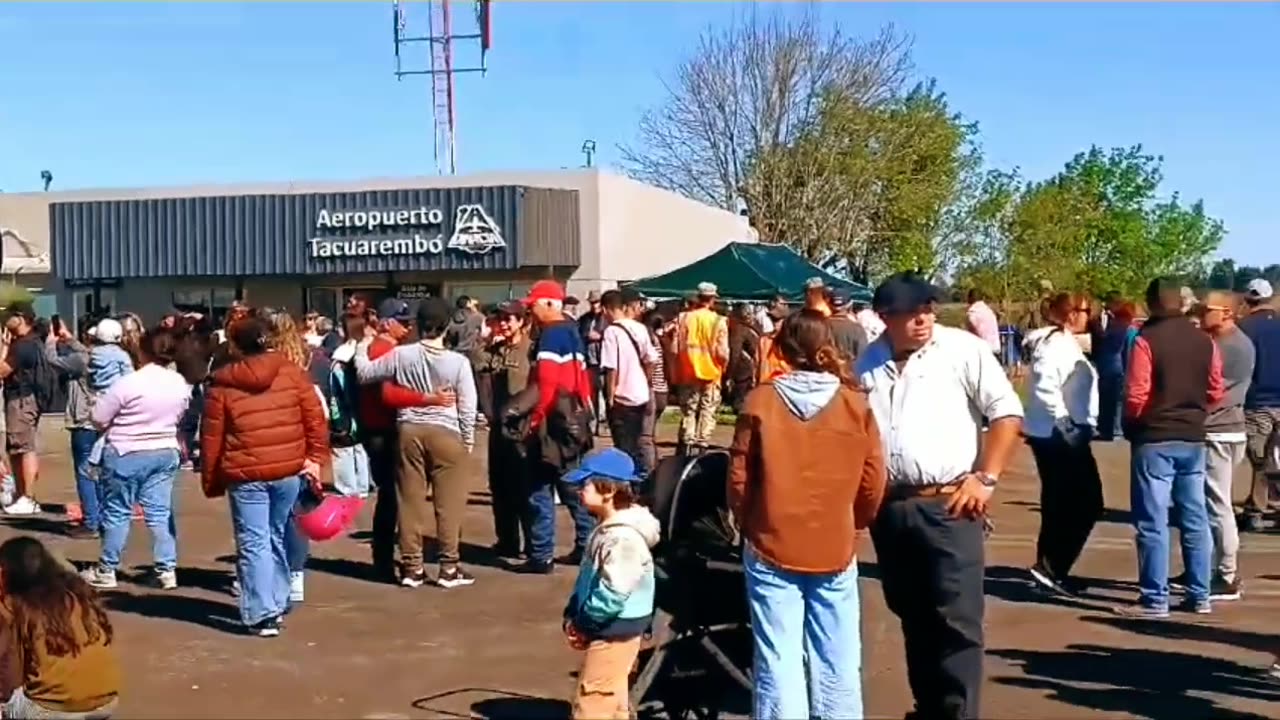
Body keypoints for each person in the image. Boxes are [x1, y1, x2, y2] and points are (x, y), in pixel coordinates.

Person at [855, 273, 1024, 720]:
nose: (923, 318)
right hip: (890, 507)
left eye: (928, 308)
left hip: (951, 504)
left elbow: (1006, 414)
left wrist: (985, 478)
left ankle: (960, 713)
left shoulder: (963, 351)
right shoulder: (867, 361)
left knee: (957, 620)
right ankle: (929, 708)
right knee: (913, 614)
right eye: (912, 312)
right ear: (885, 317)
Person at [728, 309, 886, 719]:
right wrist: (856, 522)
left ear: (780, 348)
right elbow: (873, 480)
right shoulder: (855, 404)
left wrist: (745, 521)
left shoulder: (761, 400)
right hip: (834, 544)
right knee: (838, 658)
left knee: (778, 658)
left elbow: (740, 475)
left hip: (770, 540)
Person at [201, 315, 329, 637]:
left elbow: (212, 436)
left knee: (254, 540)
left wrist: (211, 478)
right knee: (274, 535)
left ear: (236, 345)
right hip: (287, 467)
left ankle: (262, 612)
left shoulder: (221, 384)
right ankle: (277, 599)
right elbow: (314, 418)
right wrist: (315, 458)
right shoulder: (293, 374)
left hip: (245, 471)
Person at [355, 297, 478, 589]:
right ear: (447, 326)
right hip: (446, 430)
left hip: (409, 429)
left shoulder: (402, 355)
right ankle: (449, 568)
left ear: (419, 325)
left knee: (409, 502)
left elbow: (365, 373)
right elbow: (468, 404)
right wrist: (467, 438)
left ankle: (412, 568)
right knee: (448, 504)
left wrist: (361, 347)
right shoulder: (458, 362)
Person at [1120, 277, 1224, 618]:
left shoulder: (1145, 340)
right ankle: (1200, 593)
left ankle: (1155, 598)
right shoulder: (1205, 341)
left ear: (1151, 303)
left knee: (1153, 520)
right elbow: (1214, 391)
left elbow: (1137, 394)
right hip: (1192, 436)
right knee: (1195, 516)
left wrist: (1134, 422)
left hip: (1155, 436)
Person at [78, 326, 190, 591]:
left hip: (126, 451)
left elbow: (98, 418)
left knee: (117, 512)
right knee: (160, 513)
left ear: (144, 350)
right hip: (164, 449)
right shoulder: (179, 383)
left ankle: (107, 569)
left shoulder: (129, 382)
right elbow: (182, 414)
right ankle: (166, 569)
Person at [560, 448, 659, 720]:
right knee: (613, 695)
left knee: (593, 700)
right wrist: (573, 611)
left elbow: (614, 591)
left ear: (609, 490)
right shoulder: (608, 529)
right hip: (615, 624)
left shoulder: (621, 538)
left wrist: (584, 623)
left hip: (614, 626)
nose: (579, 490)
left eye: (586, 484)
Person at [1021, 293, 1102, 596]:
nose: (1088, 315)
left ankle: (1050, 569)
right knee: (1085, 503)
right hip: (1058, 436)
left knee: (1061, 505)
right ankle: (1050, 567)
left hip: (1062, 433)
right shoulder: (1054, 344)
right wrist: (1064, 421)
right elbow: (1045, 385)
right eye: (1084, 309)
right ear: (1069, 314)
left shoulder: (1063, 342)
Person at [516, 280, 596, 573]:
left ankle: (541, 555)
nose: (532, 312)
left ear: (550, 304)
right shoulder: (573, 331)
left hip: (552, 422)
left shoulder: (550, 336)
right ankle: (587, 546)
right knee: (573, 485)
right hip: (574, 419)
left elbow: (547, 384)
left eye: (534, 305)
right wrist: (588, 411)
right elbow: (583, 378)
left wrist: (534, 420)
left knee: (539, 489)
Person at [0, 537, 121, 719]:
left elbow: (9, 668)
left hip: (52, 709)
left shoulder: (15, 606)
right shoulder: (77, 593)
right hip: (105, 701)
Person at [1190, 291, 1255, 601]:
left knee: (1218, 506)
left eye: (1207, 309)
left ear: (1227, 313)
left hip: (1220, 431)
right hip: (1224, 430)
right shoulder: (1221, 342)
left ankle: (1226, 574)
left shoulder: (1231, 346)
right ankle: (1204, 568)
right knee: (1208, 505)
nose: (1202, 314)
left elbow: (1210, 392)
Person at [476, 301, 535, 559]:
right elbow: (476, 362)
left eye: (509, 318)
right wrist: (484, 339)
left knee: (524, 488)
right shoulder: (496, 349)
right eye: (501, 318)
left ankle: (534, 544)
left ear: (522, 321)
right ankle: (507, 541)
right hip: (498, 427)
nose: (504, 323)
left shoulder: (531, 350)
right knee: (500, 488)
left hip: (522, 428)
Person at [41, 321, 97, 539]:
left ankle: (91, 521)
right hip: (101, 420)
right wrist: (70, 339)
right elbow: (84, 353)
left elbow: (52, 360)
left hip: (83, 420)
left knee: (85, 473)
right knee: (98, 473)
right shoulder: (113, 358)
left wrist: (51, 341)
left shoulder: (81, 360)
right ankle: (100, 519)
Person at [599, 289, 658, 476]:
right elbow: (651, 359)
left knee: (623, 446)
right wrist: (645, 379)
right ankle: (641, 479)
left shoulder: (611, 332)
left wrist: (610, 396)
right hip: (640, 393)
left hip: (622, 396)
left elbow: (611, 367)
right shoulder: (640, 328)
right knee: (638, 440)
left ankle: (627, 482)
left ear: (605, 309)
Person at [1239, 278, 1280, 532]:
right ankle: (1266, 504)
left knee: (1260, 459)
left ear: (1248, 298)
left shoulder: (1243, 329)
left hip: (1256, 401)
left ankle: (1257, 508)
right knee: (1274, 457)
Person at [0, 305, 47, 515]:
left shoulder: (23, 345)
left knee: (23, 447)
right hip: (22, 398)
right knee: (17, 447)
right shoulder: (31, 341)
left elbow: (2, 370)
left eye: (8, 315)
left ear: (20, 318)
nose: (4, 320)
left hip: (21, 399)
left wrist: (3, 346)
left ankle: (27, 496)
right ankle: (22, 495)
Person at [673, 282, 729, 455]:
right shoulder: (719, 321)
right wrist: (724, 368)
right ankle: (702, 447)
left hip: (688, 372)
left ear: (698, 297)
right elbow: (723, 353)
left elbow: (674, 348)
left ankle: (686, 444)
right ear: (712, 299)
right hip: (712, 373)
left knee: (689, 411)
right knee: (707, 410)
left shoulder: (683, 318)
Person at [577, 291, 608, 434]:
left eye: (597, 302)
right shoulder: (584, 319)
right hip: (589, 362)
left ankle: (604, 424)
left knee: (606, 395)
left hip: (604, 363)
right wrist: (587, 336)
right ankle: (594, 424)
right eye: (592, 302)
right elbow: (580, 334)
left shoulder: (607, 319)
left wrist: (600, 337)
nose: (594, 305)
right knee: (592, 396)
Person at [724, 304, 760, 414]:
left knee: (743, 399)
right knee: (741, 399)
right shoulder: (740, 329)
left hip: (747, 368)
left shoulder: (745, 329)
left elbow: (736, 350)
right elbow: (735, 351)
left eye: (751, 314)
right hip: (743, 369)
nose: (751, 317)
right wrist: (730, 373)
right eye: (748, 314)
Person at [826, 288, 869, 365]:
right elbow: (864, 358)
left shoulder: (820, 326)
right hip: (848, 373)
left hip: (825, 373)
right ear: (850, 304)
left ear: (828, 304)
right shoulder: (857, 329)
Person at [965, 288, 1001, 356]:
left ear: (971, 298)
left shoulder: (973, 312)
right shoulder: (989, 310)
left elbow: (974, 332)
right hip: (995, 347)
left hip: (982, 350)